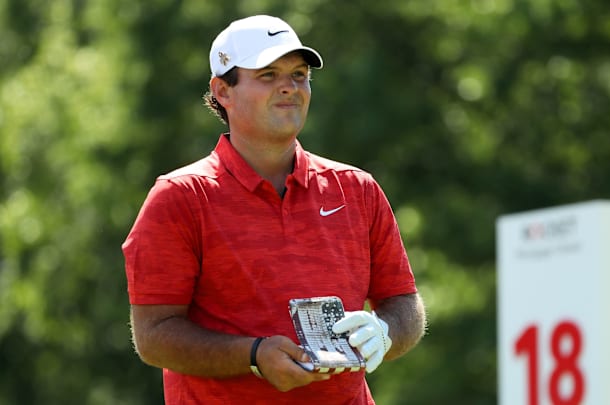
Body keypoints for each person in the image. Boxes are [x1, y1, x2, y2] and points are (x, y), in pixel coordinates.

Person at [122, 14, 426, 405]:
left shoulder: (356, 189)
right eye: (268, 75)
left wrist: (385, 331)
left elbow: (403, 302)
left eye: (299, 74)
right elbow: (154, 336)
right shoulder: (181, 197)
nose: (290, 87)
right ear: (222, 91)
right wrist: (253, 356)